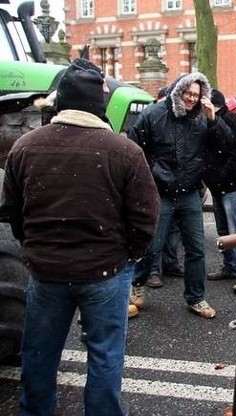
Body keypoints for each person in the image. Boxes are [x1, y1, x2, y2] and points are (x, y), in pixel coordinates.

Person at [0, 58, 160, 416]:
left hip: (46, 272)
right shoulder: (124, 151)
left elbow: (12, 210)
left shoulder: (25, 147)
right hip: (105, 271)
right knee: (104, 355)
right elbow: (146, 216)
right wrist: (128, 255)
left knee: (39, 352)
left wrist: (33, 247)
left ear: (61, 101)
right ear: (98, 105)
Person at [128, 72, 228, 319]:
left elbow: (224, 145)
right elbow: (134, 148)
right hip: (160, 193)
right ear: (178, 92)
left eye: (196, 94)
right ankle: (136, 285)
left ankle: (196, 298)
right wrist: (152, 174)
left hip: (189, 193)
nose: (192, 99)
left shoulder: (202, 118)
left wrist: (214, 120)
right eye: (188, 94)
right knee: (152, 246)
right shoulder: (154, 114)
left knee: (196, 249)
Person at [204, 89, 236, 293]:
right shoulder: (208, 122)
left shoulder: (234, 122)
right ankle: (230, 266)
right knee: (224, 230)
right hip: (218, 185)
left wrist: (222, 175)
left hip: (231, 186)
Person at [148, 84, 184, 287]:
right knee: (158, 231)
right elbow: (144, 150)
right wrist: (157, 173)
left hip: (180, 186)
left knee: (174, 230)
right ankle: (153, 270)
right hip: (160, 186)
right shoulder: (152, 117)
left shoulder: (181, 118)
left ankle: (171, 264)